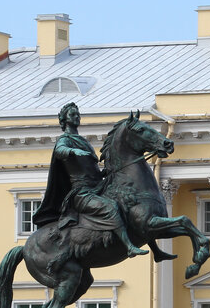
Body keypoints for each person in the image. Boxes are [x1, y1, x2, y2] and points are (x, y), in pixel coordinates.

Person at [33, 102, 151, 261]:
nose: (77, 117)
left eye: (78, 114)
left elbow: (91, 169)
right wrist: (73, 151)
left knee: (130, 205)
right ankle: (128, 247)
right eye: (72, 115)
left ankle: (155, 249)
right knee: (111, 207)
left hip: (97, 187)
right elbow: (60, 151)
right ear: (64, 120)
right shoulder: (65, 139)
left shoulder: (83, 141)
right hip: (82, 193)